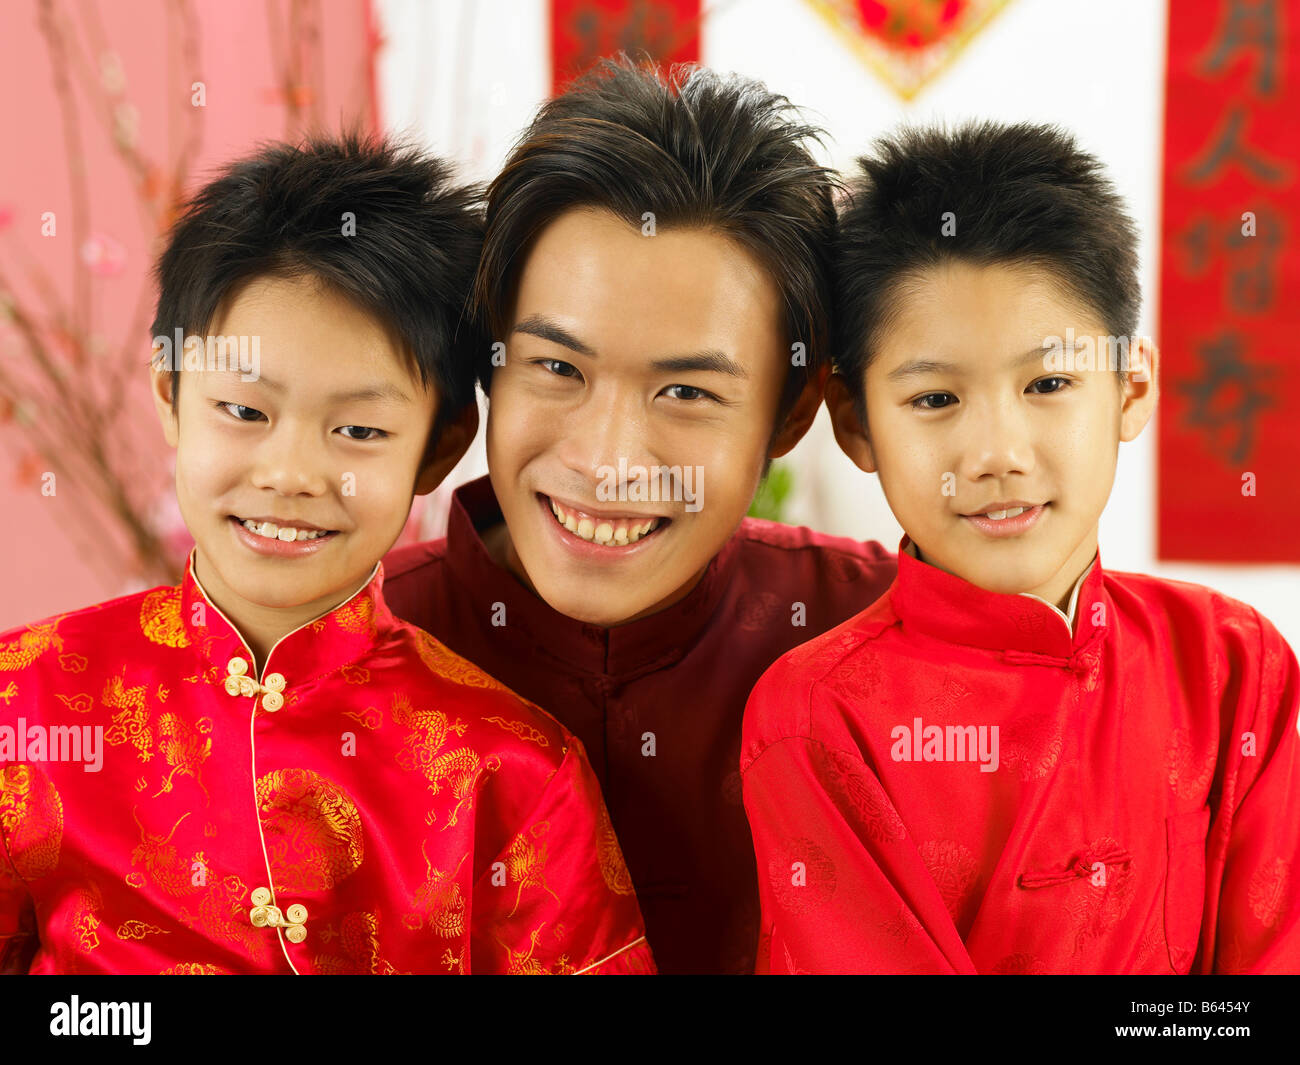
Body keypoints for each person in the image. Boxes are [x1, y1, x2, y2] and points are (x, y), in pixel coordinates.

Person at [0, 133, 652, 975]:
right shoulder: (28, 697)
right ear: (170, 394)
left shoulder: (513, 771)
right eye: (244, 411)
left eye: (358, 430)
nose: (291, 474)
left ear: (440, 447)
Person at [742, 121, 1300, 974]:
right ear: (855, 423)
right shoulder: (817, 719)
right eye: (934, 398)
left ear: (1130, 387)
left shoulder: (1234, 668)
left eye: (1048, 383)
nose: (997, 453)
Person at [382, 58, 897, 974]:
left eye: (688, 390)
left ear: (791, 414)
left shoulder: (883, 641)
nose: (609, 461)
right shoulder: (342, 646)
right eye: (557, 369)